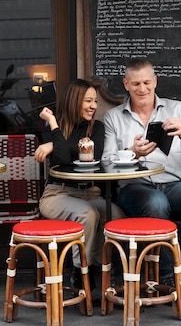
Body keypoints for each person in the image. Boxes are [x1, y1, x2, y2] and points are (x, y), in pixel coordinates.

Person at [102, 58, 181, 308]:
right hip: (136, 188)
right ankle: (167, 278)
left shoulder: (179, 109)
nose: (142, 88)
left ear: (155, 81)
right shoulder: (113, 117)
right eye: (135, 83)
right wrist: (133, 152)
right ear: (126, 84)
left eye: (147, 82)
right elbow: (107, 165)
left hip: (177, 187)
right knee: (156, 201)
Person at [35, 79, 125, 289]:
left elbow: (95, 155)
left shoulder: (97, 128)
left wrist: (55, 144)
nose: (94, 106)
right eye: (88, 101)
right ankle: (80, 270)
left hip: (91, 193)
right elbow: (64, 159)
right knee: (88, 214)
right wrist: (54, 126)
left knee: (116, 214)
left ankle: (99, 267)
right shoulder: (53, 126)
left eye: (95, 101)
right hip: (57, 195)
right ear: (75, 101)